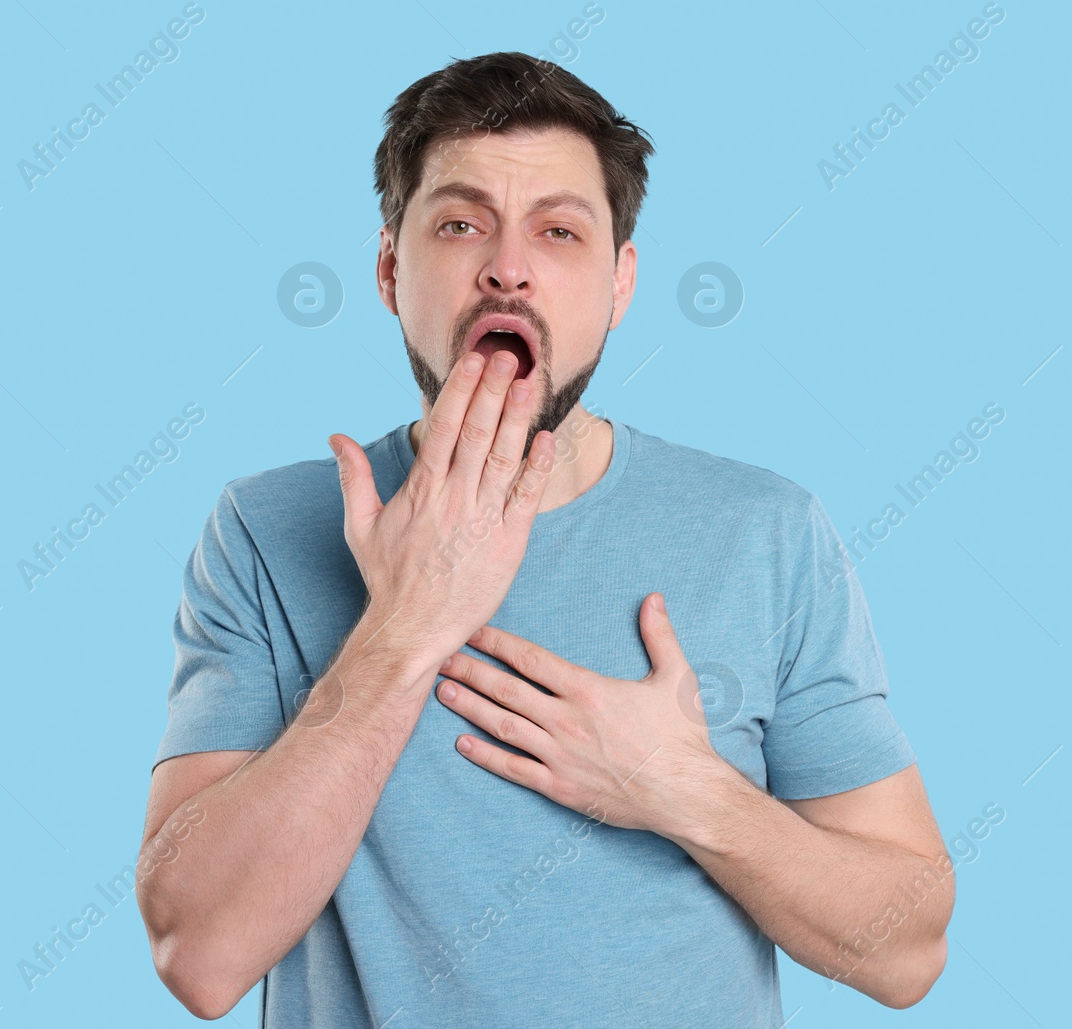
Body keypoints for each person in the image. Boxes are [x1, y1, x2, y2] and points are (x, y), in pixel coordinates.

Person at [136, 51, 952, 1026]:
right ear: (392, 269)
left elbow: (906, 948)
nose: (507, 265)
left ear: (619, 281)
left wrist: (687, 792)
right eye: (459, 222)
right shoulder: (266, 533)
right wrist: (403, 628)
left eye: (558, 231)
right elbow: (199, 953)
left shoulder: (765, 531)